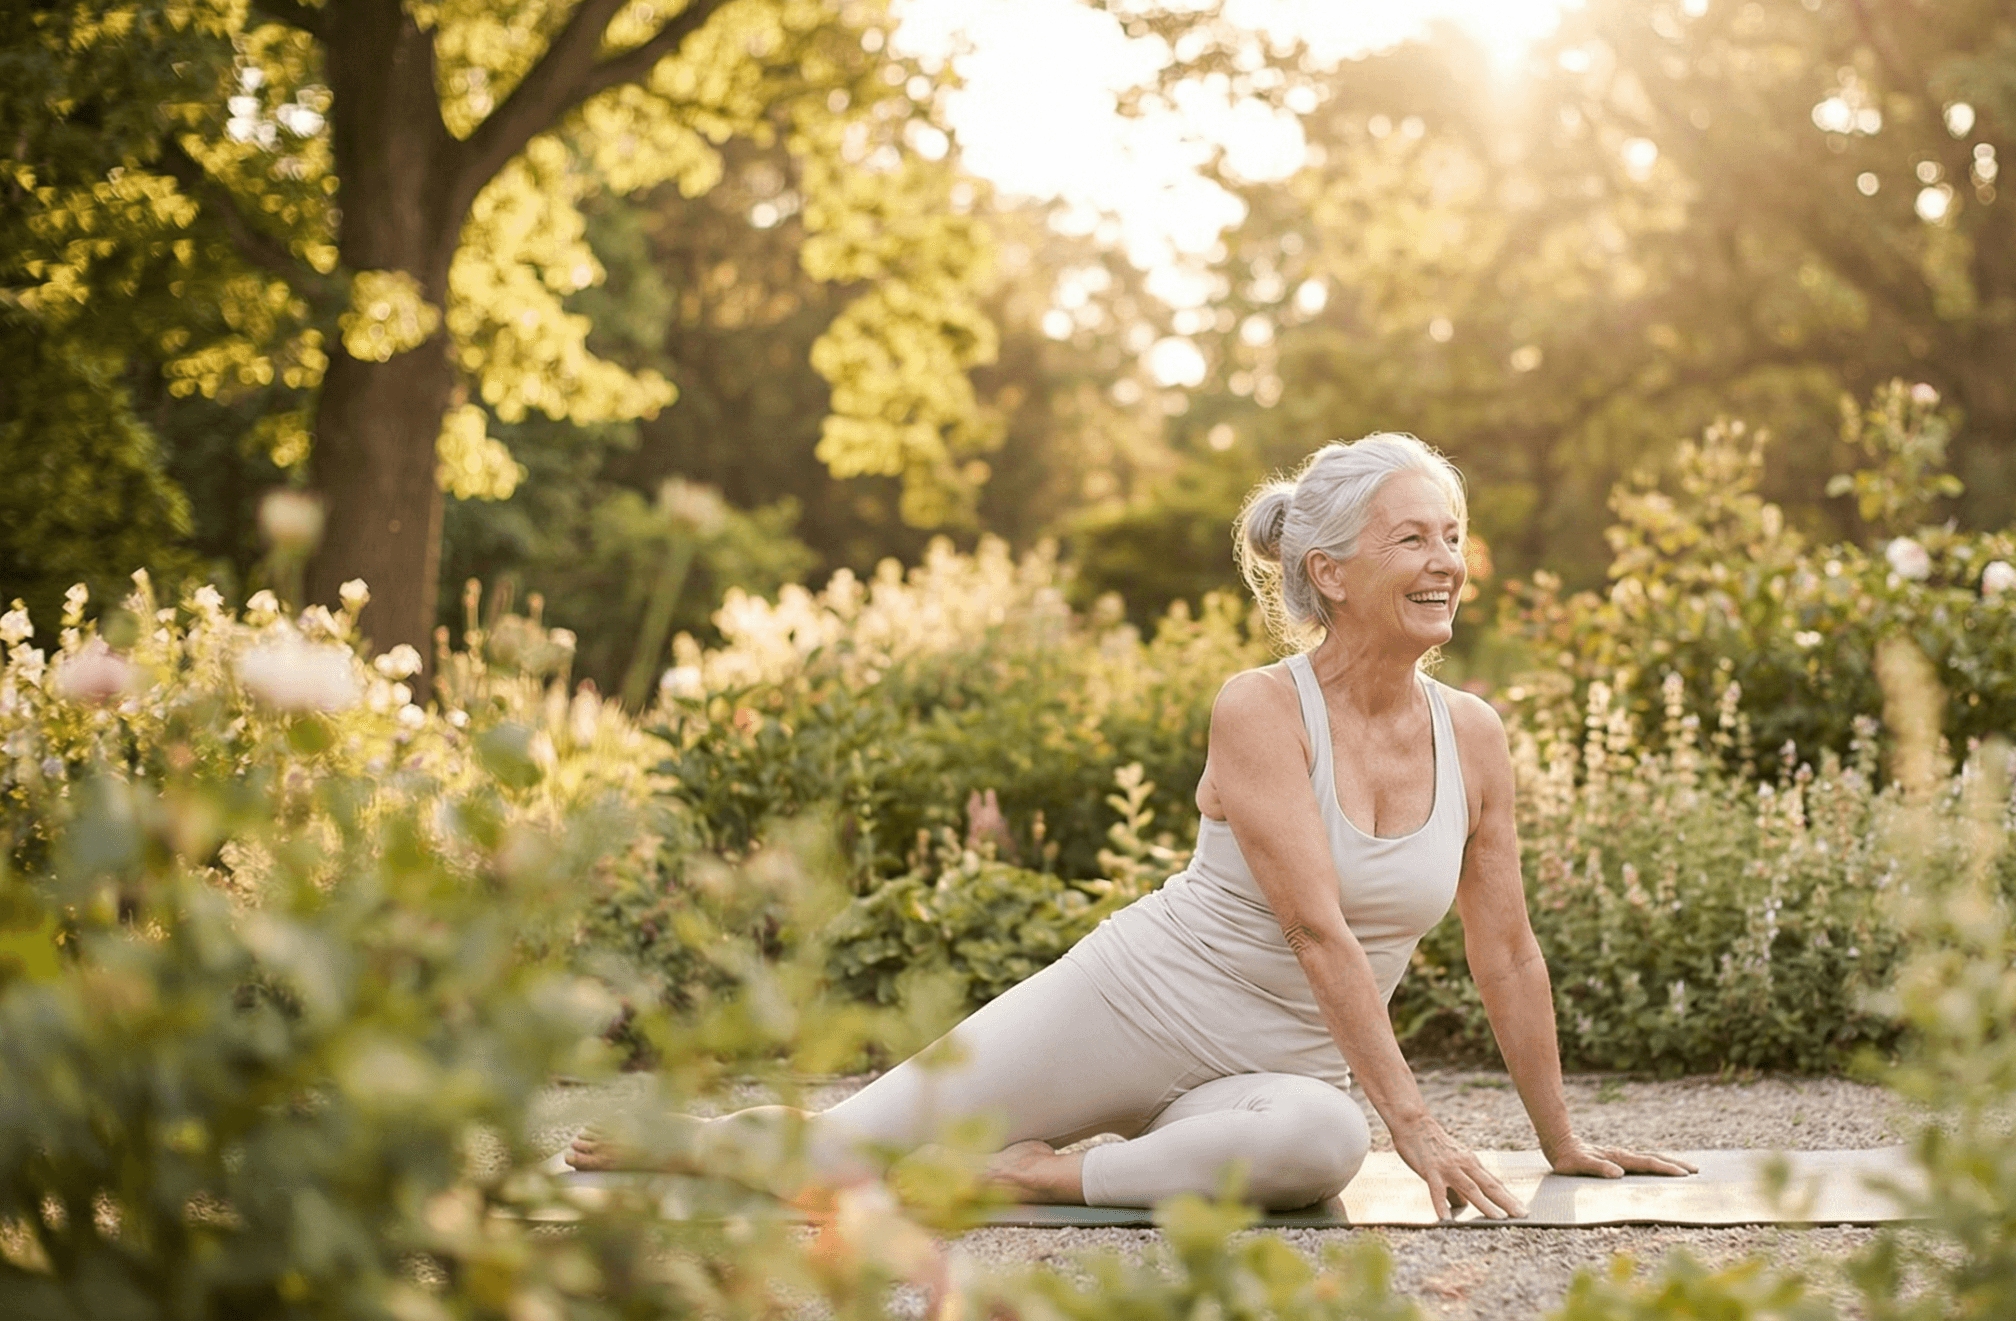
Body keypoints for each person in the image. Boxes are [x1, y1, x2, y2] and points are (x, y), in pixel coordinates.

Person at [572, 433, 1694, 1219]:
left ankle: (1040, 1176)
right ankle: (707, 1142)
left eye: (1451, 536)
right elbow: (1318, 934)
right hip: (1131, 1005)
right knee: (836, 1160)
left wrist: (1559, 1141)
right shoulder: (1259, 708)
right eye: (1411, 540)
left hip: (1275, 1070)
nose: (1446, 562)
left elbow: (1506, 948)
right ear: (1330, 572)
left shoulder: (1474, 733)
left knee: (1321, 1145)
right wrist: (1422, 1122)